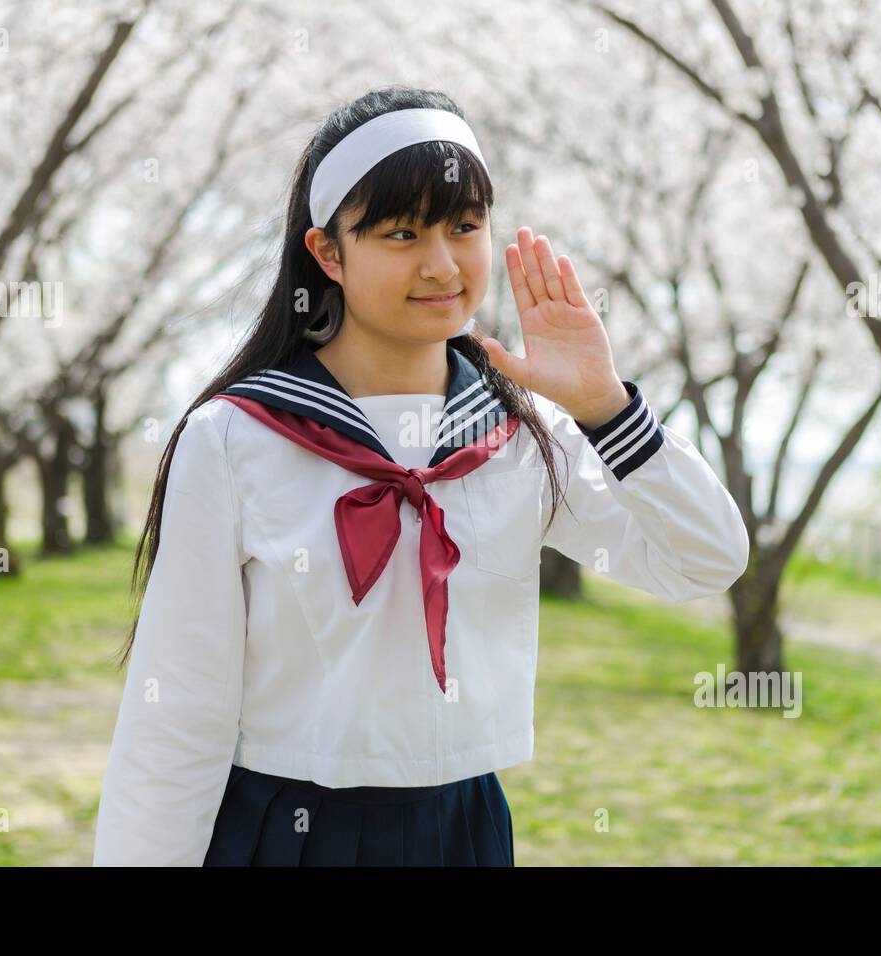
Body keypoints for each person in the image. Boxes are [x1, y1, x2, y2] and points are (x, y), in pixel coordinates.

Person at [92, 86, 750, 867]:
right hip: (287, 835)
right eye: (401, 233)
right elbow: (176, 717)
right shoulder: (236, 440)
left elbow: (705, 560)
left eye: (464, 227)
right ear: (328, 253)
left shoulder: (520, 437)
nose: (442, 265)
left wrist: (607, 408)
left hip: (465, 832)